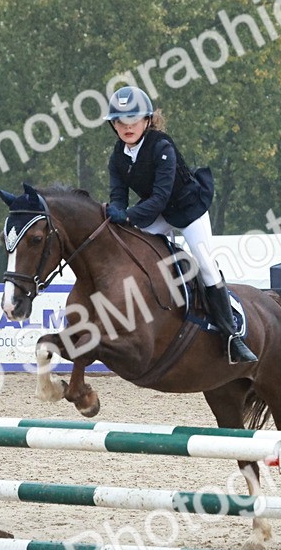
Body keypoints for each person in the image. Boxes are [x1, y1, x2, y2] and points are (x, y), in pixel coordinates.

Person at [104, 86, 257, 364]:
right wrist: (113, 214)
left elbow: (161, 198)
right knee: (131, 250)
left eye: (133, 121)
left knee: (205, 264)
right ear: (113, 125)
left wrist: (127, 216)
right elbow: (118, 197)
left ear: (147, 121)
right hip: (156, 211)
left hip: (188, 209)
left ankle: (232, 334)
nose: (127, 127)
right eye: (120, 122)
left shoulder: (161, 146)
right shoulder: (117, 157)